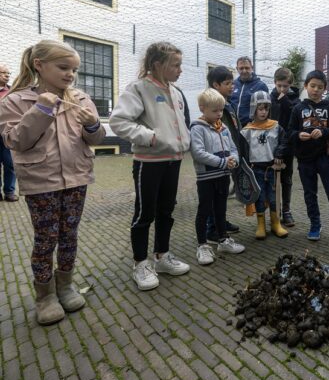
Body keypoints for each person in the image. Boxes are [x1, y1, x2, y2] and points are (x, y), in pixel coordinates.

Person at [0, 40, 106, 324]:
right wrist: (41, 110)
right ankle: (45, 296)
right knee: (46, 239)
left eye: (74, 70)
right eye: (63, 67)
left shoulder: (80, 99)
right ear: (39, 65)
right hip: (41, 182)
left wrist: (93, 125)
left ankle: (66, 285)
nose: (71, 74)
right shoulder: (15, 101)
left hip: (76, 178)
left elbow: (96, 139)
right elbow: (15, 141)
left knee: (69, 235)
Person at [109, 42, 191, 291]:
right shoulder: (139, 88)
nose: (180, 70)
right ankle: (140, 263)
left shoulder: (176, 92)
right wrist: (151, 137)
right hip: (149, 162)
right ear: (157, 65)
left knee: (167, 210)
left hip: (173, 160)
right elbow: (118, 121)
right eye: (175, 65)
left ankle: (162, 256)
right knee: (145, 213)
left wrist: (182, 141)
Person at [288, 70, 329, 244]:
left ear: (325, 89)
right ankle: (315, 225)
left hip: (326, 158)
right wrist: (298, 135)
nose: (316, 90)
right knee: (310, 195)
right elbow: (290, 131)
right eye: (313, 86)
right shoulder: (298, 108)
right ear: (305, 86)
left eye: (320, 87)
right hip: (305, 159)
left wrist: (323, 132)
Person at [190, 88, 245, 265]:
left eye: (221, 110)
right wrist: (222, 162)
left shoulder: (224, 128)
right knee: (204, 210)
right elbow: (198, 153)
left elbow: (233, 148)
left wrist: (234, 160)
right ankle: (202, 245)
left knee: (221, 209)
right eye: (215, 111)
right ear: (202, 108)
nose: (219, 114)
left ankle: (223, 240)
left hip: (223, 175)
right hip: (206, 177)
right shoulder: (197, 128)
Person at [241, 91, 288, 239]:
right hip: (256, 170)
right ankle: (261, 225)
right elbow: (242, 149)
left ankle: (275, 224)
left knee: (274, 198)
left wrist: (279, 154)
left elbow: (284, 141)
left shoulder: (275, 126)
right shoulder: (247, 130)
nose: (263, 112)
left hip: (272, 169)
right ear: (254, 109)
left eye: (266, 109)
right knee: (259, 197)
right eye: (260, 109)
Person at [205, 66, 241, 241]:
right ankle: (212, 228)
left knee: (223, 192)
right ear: (216, 85)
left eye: (232, 82)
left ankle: (221, 221)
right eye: (227, 83)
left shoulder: (228, 104)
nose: (232, 86)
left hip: (229, 155)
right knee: (215, 194)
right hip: (218, 157)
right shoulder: (212, 107)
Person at [270, 67, 301, 227]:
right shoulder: (269, 98)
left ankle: (287, 211)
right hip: (270, 145)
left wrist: (284, 99)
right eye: (279, 85)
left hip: (288, 145)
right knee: (272, 180)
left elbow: (294, 117)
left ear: (291, 84)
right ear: (275, 82)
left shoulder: (295, 100)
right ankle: (275, 211)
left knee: (286, 179)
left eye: (285, 86)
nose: (282, 89)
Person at [230, 56, 269, 127]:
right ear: (237, 69)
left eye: (247, 68)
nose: (244, 71)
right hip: (233, 126)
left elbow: (265, 109)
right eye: (241, 68)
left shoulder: (261, 86)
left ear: (252, 68)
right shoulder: (233, 84)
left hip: (251, 127)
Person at [0, 64, 18, 202]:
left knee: (10, 163)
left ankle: (9, 191)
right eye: (4, 72)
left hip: (7, 133)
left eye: (8, 73)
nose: (7, 75)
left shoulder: (12, 91)